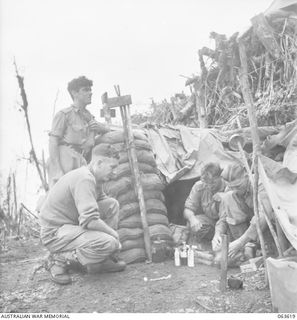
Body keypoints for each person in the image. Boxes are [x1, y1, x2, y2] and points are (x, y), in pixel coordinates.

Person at [39, 148, 126, 285]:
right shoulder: (85, 178)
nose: (115, 172)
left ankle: (100, 259)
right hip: (55, 232)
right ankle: (58, 259)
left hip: (71, 225)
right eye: (112, 167)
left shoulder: (95, 178)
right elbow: (90, 221)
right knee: (109, 242)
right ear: (99, 163)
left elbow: (100, 204)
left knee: (112, 204)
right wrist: (113, 234)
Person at [48, 76, 109, 187]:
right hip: (66, 157)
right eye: (85, 90)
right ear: (74, 93)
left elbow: (106, 129)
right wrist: (57, 170)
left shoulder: (88, 116)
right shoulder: (64, 114)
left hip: (81, 160)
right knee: (65, 196)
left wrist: (99, 128)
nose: (90, 93)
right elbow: (53, 142)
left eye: (90, 90)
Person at [218, 163, 274, 258]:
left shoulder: (259, 184)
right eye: (232, 187)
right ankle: (247, 248)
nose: (235, 190)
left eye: (238, 186)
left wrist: (241, 241)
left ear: (246, 176)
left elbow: (264, 215)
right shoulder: (231, 189)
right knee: (228, 197)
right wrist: (217, 233)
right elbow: (224, 217)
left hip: (269, 227)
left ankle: (266, 248)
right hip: (248, 231)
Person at [183, 162, 227, 248]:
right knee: (193, 222)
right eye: (207, 183)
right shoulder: (199, 186)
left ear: (220, 176)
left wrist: (218, 234)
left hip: (227, 224)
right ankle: (199, 248)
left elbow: (226, 219)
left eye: (213, 182)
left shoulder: (228, 187)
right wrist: (192, 219)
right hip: (211, 223)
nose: (210, 186)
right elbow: (187, 209)